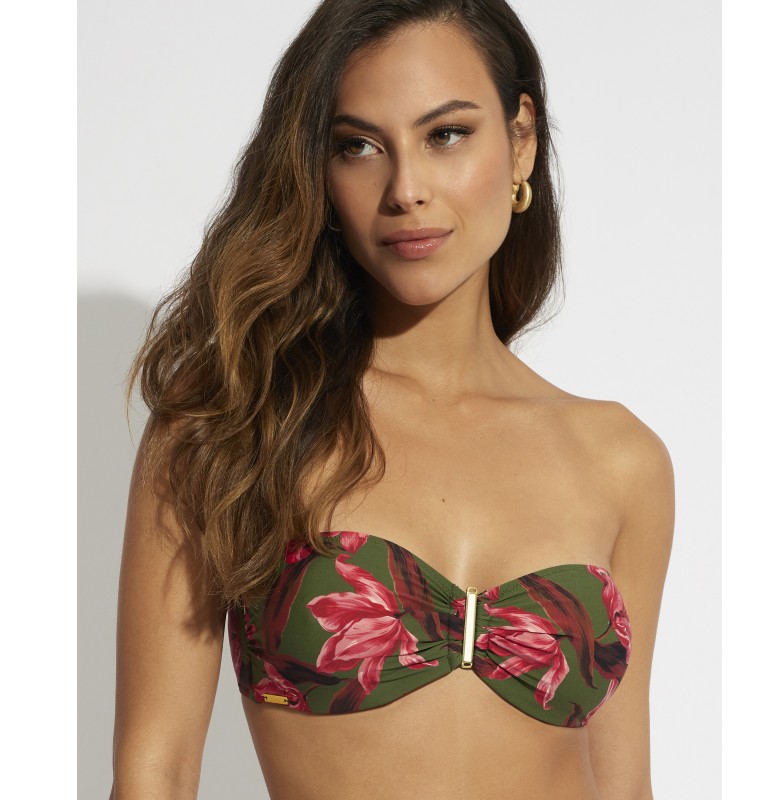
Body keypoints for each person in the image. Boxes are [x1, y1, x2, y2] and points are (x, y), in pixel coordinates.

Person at [110, 1, 674, 798]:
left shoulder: (622, 461)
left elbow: (624, 785)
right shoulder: (234, 420)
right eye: (360, 146)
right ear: (319, 170)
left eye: (446, 134)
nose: (406, 189)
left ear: (521, 140)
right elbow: (157, 772)